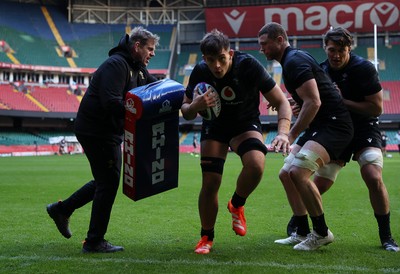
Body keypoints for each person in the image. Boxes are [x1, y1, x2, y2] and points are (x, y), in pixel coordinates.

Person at [276, 26, 399, 252]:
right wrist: (297, 106)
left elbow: (376, 107)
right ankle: (301, 225)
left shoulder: (363, 68)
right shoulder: (321, 69)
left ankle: (387, 236)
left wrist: (343, 102)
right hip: (332, 128)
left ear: (349, 48)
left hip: (362, 127)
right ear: (325, 48)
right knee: (313, 183)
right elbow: (314, 105)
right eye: (332, 49)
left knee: (372, 176)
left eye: (341, 49)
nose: (336, 54)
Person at [46, 26, 160, 253]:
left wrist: (182, 95)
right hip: (96, 130)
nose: (153, 53)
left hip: (107, 132)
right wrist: (141, 115)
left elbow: (157, 86)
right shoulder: (117, 65)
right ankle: (94, 241)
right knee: (108, 182)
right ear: (136, 47)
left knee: (104, 180)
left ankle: (62, 210)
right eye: (150, 48)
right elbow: (111, 102)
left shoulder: (137, 69)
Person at [181, 29, 292, 254]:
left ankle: (237, 203)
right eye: (211, 61)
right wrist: (194, 106)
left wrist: (282, 132)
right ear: (205, 60)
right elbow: (185, 111)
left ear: (230, 53)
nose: (217, 66)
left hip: (245, 124)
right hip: (215, 127)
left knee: (256, 164)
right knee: (210, 183)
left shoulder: (248, 65)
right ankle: (206, 237)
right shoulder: (200, 71)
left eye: (222, 59)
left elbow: (282, 102)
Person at [258, 22, 354, 251]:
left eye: (264, 44)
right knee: (285, 174)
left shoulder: (294, 61)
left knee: (298, 172)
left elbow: (315, 101)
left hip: (335, 126)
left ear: (279, 40)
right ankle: (301, 231)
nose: (261, 49)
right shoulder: (293, 59)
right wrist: (296, 103)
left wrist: (290, 134)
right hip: (321, 124)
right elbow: (312, 97)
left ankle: (321, 232)